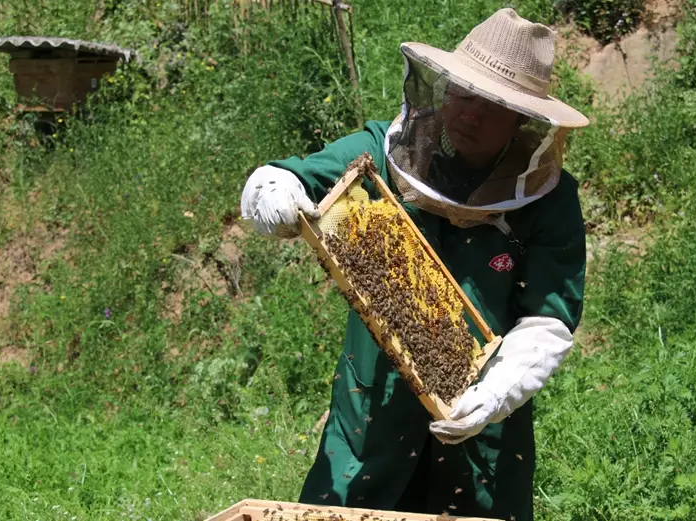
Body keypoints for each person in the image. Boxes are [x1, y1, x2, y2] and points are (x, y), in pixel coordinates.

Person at [240, 8, 589, 521]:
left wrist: (497, 391)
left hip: (480, 430)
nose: (470, 114)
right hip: (371, 415)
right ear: (442, 89)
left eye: (492, 106)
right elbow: (279, 176)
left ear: (523, 121)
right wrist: (275, 194)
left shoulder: (550, 202)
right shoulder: (379, 154)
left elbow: (548, 318)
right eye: (463, 93)